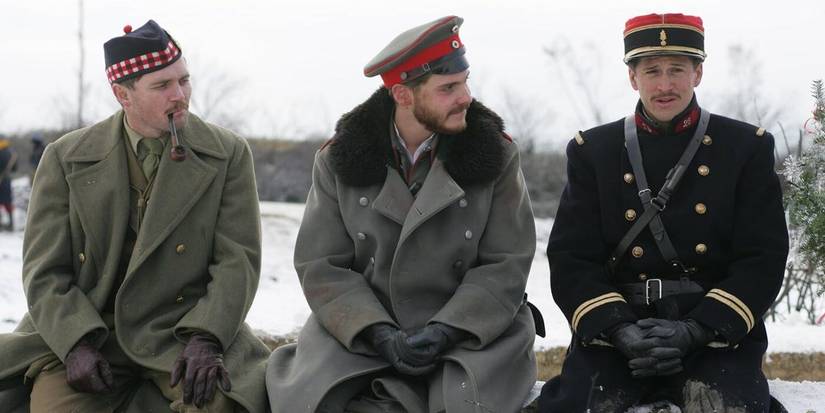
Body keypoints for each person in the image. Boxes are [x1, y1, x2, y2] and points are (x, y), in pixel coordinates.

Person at [266, 15, 539, 413]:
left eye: (464, 83)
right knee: (311, 403)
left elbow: (507, 262)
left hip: (471, 334)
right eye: (448, 88)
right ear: (403, 95)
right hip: (366, 332)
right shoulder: (338, 161)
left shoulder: (496, 155)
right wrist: (378, 333)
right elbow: (321, 265)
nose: (465, 98)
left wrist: (445, 331)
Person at [0, 20, 269, 412]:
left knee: (220, 406)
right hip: (91, 331)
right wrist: (74, 343)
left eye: (184, 81)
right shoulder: (65, 157)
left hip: (181, 331)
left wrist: (207, 337)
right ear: (122, 94)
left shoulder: (227, 154)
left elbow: (238, 259)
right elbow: (44, 271)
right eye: (162, 86)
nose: (180, 96)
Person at [537, 13, 789, 413]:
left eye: (677, 70)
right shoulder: (593, 151)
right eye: (652, 70)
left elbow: (763, 257)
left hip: (711, 332)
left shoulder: (745, 147)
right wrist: (618, 328)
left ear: (698, 73)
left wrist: (696, 329)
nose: (665, 84)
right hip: (619, 331)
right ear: (633, 78)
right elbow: (572, 259)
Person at [0, 136, 18, 231]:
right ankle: (11, 224)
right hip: (7, 180)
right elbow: (15, 168)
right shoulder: (11, 153)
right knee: (8, 202)